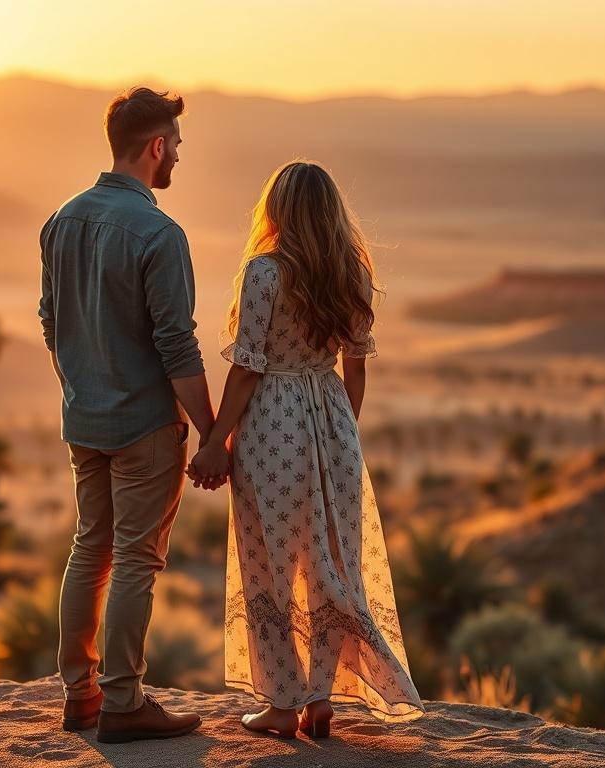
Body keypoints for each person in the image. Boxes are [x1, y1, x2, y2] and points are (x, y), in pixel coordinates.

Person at [188, 161, 425, 738]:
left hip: (273, 423)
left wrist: (217, 440)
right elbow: (357, 368)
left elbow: (247, 369)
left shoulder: (263, 273)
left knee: (271, 560)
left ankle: (280, 704)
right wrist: (340, 432)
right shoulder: (353, 272)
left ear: (278, 210)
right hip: (333, 420)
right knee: (328, 560)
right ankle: (320, 699)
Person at [38, 86, 222, 744]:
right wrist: (209, 432)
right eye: (174, 146)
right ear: (154, 146)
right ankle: (123, 702)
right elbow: (177, 344)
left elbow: (50, 322)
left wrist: (81, 386)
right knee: (136, 559)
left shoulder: (61, 219)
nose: (177, 157)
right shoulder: (158, 234)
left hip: (83, 419)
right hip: (144, 425)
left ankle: (79, 696)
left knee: (90, 550)